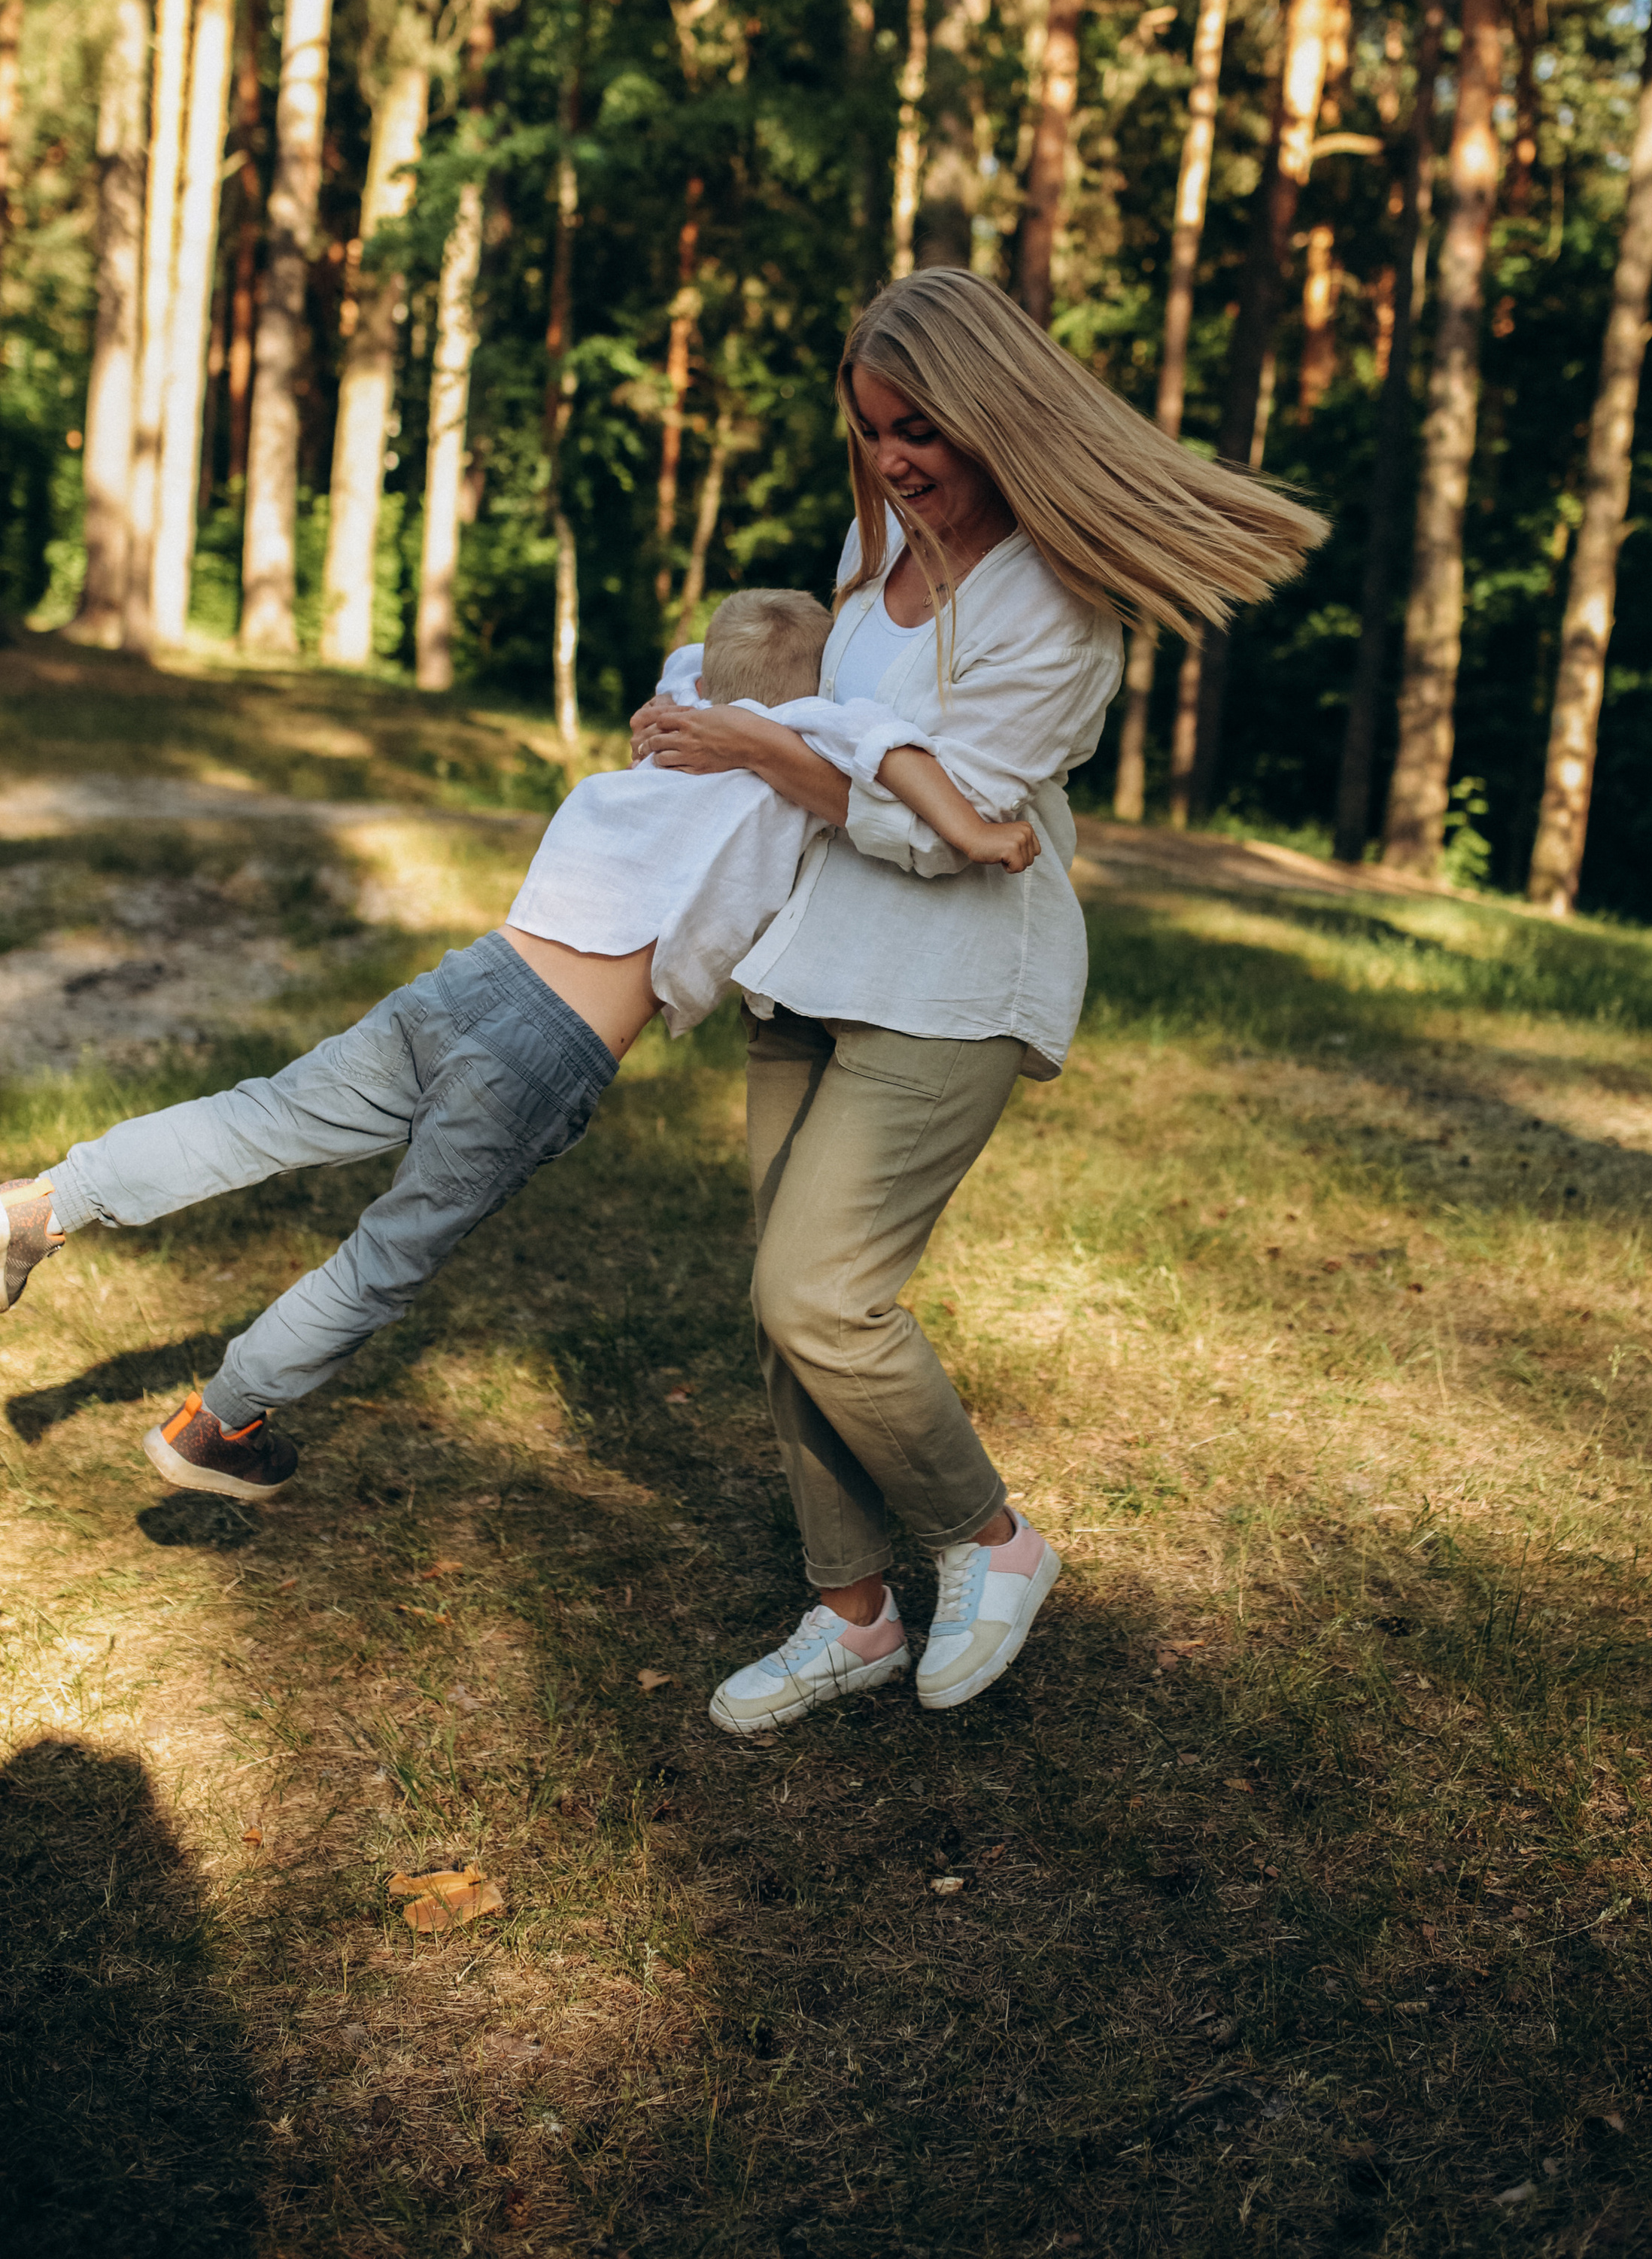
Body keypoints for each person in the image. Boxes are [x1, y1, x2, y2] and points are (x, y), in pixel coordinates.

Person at [625, 268, 1327, 1732]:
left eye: (922, 428)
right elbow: (828, 724)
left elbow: (946, 826)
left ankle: (992, 1542)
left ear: (1000, 412)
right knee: (779, 1311)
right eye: (875, 430)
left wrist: (752, 750)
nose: (894, 461)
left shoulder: (1060, 609)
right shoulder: (875, 536)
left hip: (949, 979)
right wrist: (721, 722)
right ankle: (851, 1617)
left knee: (823, 1290)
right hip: (809, 955)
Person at [0, 587, 1039, 1500]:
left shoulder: (683, 710)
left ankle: (46, 1203)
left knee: (257, 1118)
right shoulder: (806, 734)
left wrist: (704, 686)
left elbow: (702, 660)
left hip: (470, 981)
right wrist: (981, 833)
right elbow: (893, 757)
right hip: (544, 1054)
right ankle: (219, 1422)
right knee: (387, 1255)